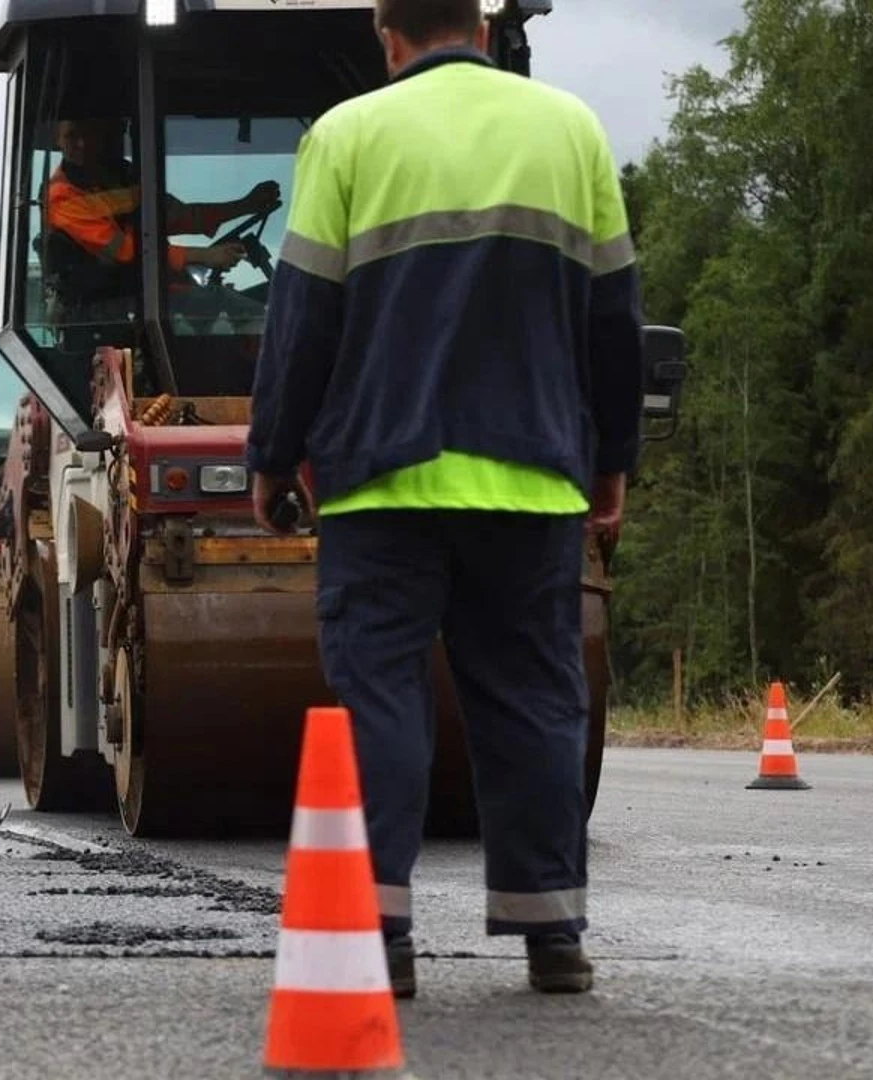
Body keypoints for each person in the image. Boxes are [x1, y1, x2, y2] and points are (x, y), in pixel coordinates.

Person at [245, 0, 643, 998]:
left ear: (388, 34)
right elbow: (612, 320)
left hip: (382, 479)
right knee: (537, 698)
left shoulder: (345, 137)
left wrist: (274, 452)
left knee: (383, 699)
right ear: (479, 22)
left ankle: (380, 934)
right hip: (534, 473)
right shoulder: (571, 130)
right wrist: (610, 456)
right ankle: (552, 933)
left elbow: (304, 318)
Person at [41, 116, 283, 325]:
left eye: (89, 133)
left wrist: (245, 205)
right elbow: (125, 250)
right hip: (105, 307)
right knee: (247, 314)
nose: (82, 143)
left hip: (151, 294)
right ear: (57, 139)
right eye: (72, 136)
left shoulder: (123, 177)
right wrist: (204, 256)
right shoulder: (61, 195)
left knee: (253, 307)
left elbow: (178, 216)